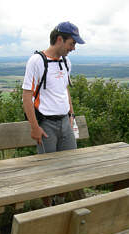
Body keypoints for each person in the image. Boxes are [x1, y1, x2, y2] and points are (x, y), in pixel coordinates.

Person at [22, 21, 85, 154]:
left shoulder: (66, 61)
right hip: (46, 125)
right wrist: (35, 128)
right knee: (48, 169)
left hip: (65, 122)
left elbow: (65, 89)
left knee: (71, 163)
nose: (73, 48)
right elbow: (27, 97)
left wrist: (71, 114)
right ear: (60, 39)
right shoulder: (37, 61)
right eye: (72, 43)